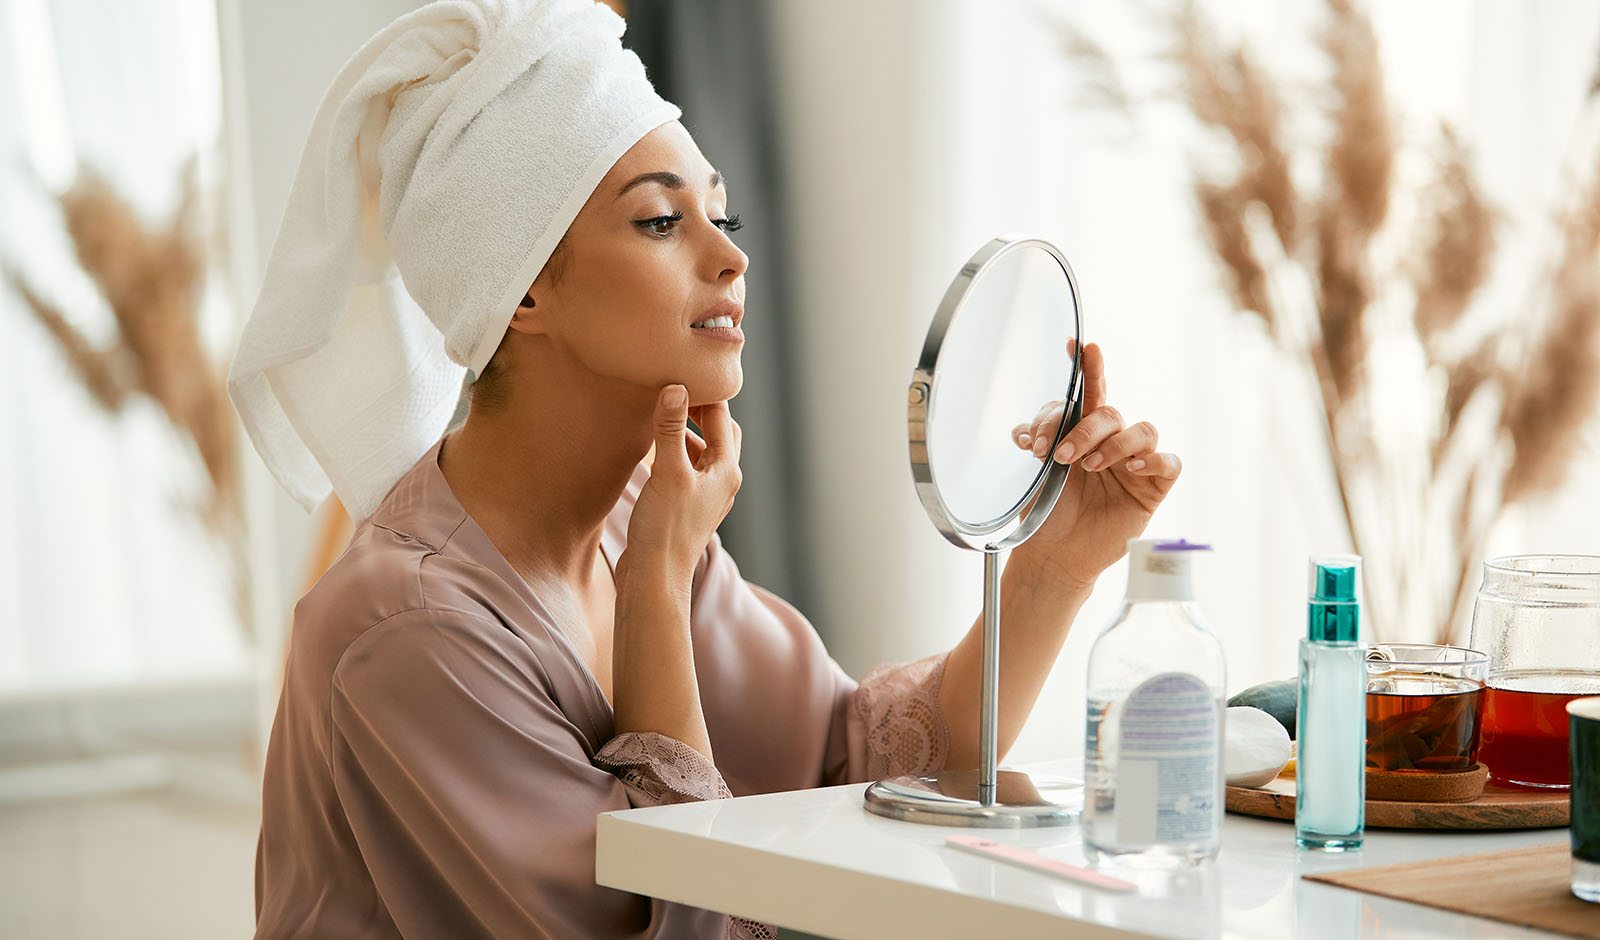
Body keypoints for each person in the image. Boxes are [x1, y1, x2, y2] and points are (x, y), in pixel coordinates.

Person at [229, 2, 1182, 938]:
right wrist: (655, 584)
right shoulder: (405, 629)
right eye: (658, 222)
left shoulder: (633, 523)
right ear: (519, 290)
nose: (730, 257)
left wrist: (1057, 565)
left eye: (720, 214)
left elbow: (869, 760)